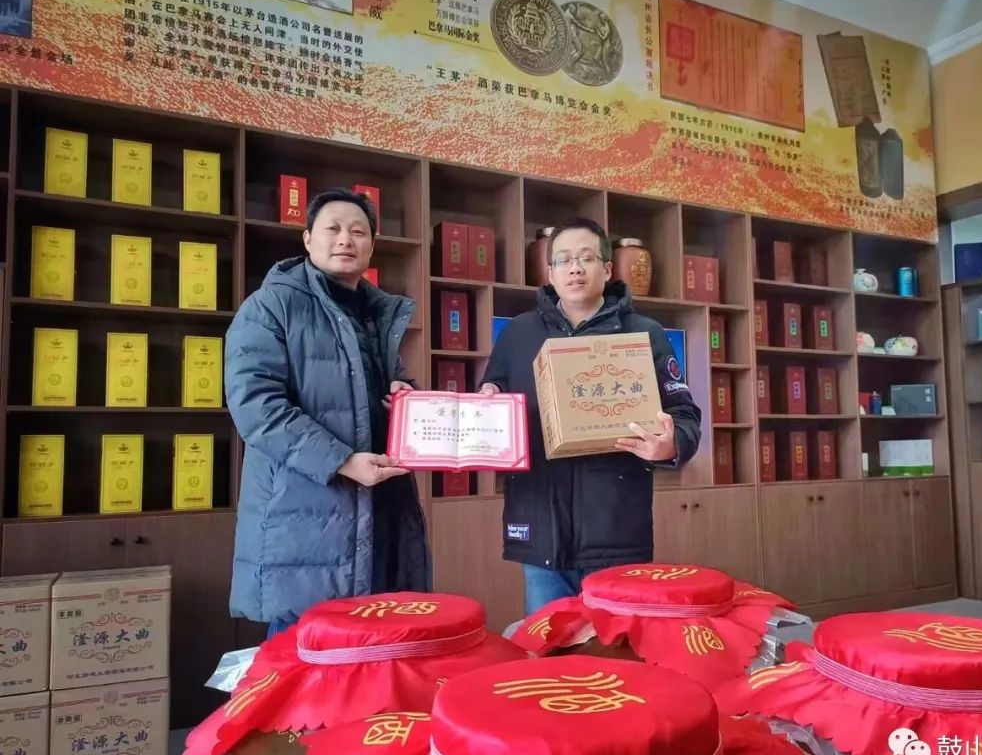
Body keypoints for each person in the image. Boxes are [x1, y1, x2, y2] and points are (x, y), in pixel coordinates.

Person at [225, 188, 429, 637]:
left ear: (371, 246)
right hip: (305, 521)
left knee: (370, 658)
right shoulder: (271, 306)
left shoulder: (376, 314)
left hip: (380, 511)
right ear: (307, 239)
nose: (345, 239)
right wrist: (341, 461)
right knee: (302, 658)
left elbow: (382, 388)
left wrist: (406, 399)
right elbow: (257, 405)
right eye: (332, 229)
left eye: (358, 231)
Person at [479, 218, 701, 614]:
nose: (575, 269)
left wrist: (670, 445)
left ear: (608, 268)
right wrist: (489, 405)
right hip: (540, 529)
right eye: (563, 260)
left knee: (615, 648)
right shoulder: (518, 334)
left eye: (586, 258)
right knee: (550, 646)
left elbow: (685, 415)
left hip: (617, 531)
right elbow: (492, 401)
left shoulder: (644, 334)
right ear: (550, 273)